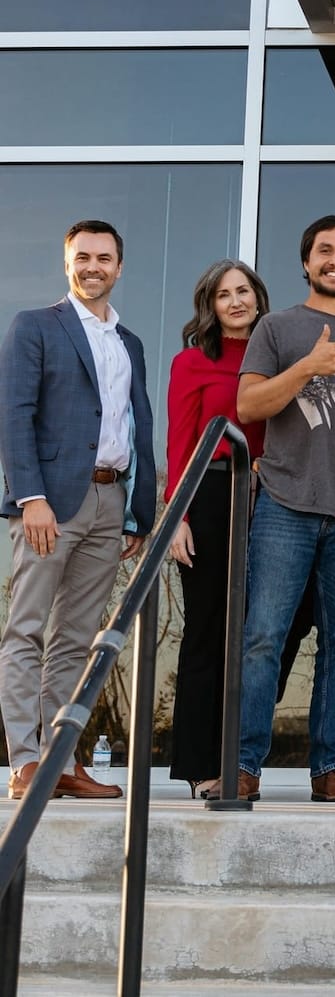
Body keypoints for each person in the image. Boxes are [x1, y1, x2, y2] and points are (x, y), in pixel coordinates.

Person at [221, 216, 335, 803]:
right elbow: (247, 406)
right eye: (325, 250)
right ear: (306, 261)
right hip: (285, 506)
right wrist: (306, 368)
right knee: (263, 638)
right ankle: (243, 765)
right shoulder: (277, 326)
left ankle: (331, 767)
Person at [0, 220, 155, 800]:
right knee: (27, 631)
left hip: (111, 501)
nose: (93, 266)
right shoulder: (36, 326)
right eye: (82, 257)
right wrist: (30, 497)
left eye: (104, 258)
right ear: (68, 264)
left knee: (77, 639)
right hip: (50, 503)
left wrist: (138, 512)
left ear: (119, 267)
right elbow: (14, 415)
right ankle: (24, 760)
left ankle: (63, 761)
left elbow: (136, 428)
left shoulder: (129, 342)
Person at [164, 260, 269, 798]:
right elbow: (180, 442)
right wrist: (176, 515)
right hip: (207, 497)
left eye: (243, 291)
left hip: (269, 499)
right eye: (224, 294)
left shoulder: (275, 359)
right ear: (210, 305)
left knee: (261, 634)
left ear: (258, 298)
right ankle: (203, 765)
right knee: (208, 631)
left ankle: (246, 759)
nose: (235, 301)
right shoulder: (191, 363)